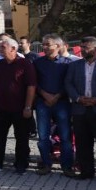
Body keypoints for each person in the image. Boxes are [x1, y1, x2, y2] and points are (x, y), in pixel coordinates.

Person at [0, 38, 36, 174]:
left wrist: (28, 107)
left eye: (3, 47)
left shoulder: (25, 64)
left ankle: (21, 164)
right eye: (0, 46)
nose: (0, 49)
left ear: (13, 49)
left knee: (22, 137)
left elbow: (31, 86)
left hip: (20, 108)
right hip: (1, 107)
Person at [64, 36, 96, 182]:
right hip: (80, 109)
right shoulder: (74, 65)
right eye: (81, 47)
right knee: (82, 142)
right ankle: (86, 171)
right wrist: (77, 98)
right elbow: (68, 83)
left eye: (86, 47)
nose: (82, 50)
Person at [33, 34, 74, 176]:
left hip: (62, 102)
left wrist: (57, 96)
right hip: (42, 102)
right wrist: (45, 95)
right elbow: (35, 83)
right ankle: (46, 164)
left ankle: (67, 166)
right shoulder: (38, 62)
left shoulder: (67, 63)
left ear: (57, 46)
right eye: (43, 44)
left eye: (47, 44)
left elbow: (69, 83)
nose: (44, 47)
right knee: (43, 136)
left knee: (65, 136)